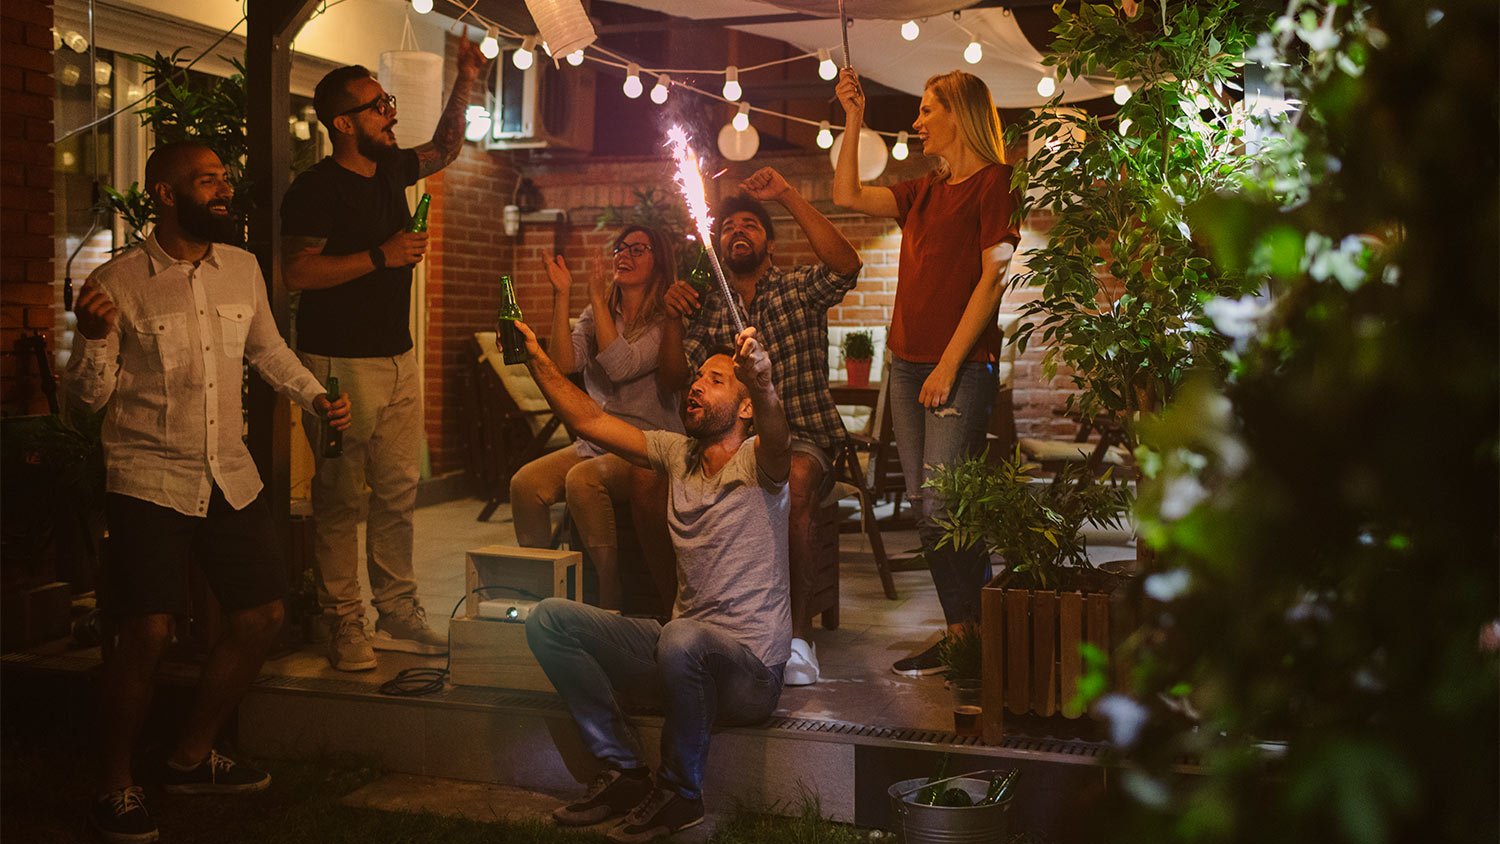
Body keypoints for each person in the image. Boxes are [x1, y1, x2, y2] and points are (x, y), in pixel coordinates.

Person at [62, 142, 353, 844]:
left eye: (225, 178)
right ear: (165, 193)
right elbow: (83, 405)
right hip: (148, 478)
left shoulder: (243, 268)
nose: (224, 190)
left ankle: (190, 754)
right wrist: (95, 339)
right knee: (147, 634)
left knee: (261, 617)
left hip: (229, 473)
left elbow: (268, 351)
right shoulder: (118, 281)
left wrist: (315, 398)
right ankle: (116, 786)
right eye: (207, 181)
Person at [520, 318, 790, 844]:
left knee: (681, 635)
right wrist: (536, 359)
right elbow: (592, 420)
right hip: (679, 652)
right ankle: (623, 772)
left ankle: (681, 795)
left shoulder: (762, 462)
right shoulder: (676, 452)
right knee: (549, 620)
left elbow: (778, 432)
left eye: (715, 379)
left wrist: (762, 380)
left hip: (751, 674)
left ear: (744, 408)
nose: (695, 384)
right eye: (696, 377)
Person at [279, 39, 488, 671]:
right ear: (344, 124)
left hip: (399, 356)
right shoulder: (315, 190)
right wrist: (381, 255)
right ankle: (345, 620)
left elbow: (447, 147)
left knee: (399, 491)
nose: (389, 114)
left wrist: (466, 77)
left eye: (388, 102)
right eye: (378, 106)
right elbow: (295, 273)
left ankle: (398, 609)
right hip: (339, 363)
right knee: (342, 495)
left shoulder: (394, 168)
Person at [833, 69, 1020, 676]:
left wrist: (947, 364)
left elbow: (993, 279)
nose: (917, 122)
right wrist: (852, 116)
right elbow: (846, 196)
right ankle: (962, 635)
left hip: (958, 369)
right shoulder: (924, 191)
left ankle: (981, 636)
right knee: (925, 504)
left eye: (926, 110)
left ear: (958, 114)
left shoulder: (995, 183)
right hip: (907, 365)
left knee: (945, 503)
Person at [658, 167, 862, 686]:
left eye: (750, 224)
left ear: (768, 241)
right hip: (732, 441)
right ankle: (682, 621)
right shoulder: (709, 310)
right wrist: (674, 319)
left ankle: (794, 636)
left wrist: (788, 192)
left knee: (789, 482)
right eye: (727, 228)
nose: (737, 231)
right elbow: (674, 380)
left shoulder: (796, 289)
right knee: (655, 479)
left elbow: (846, 266)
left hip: (805, 441)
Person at [509, 225, 684, 610]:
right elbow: (563, 363)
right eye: (621, 247)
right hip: (598, 439)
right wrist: (562, 295)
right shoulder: (598, 310)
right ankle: (540, 593)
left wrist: (595, 299)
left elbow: (621, 365)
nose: (625, 255)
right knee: (526, 484)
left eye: (639, 248)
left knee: (584, 479)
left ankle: (608, 593)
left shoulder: (664, 320)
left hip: (644, 444)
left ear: (659, 262)